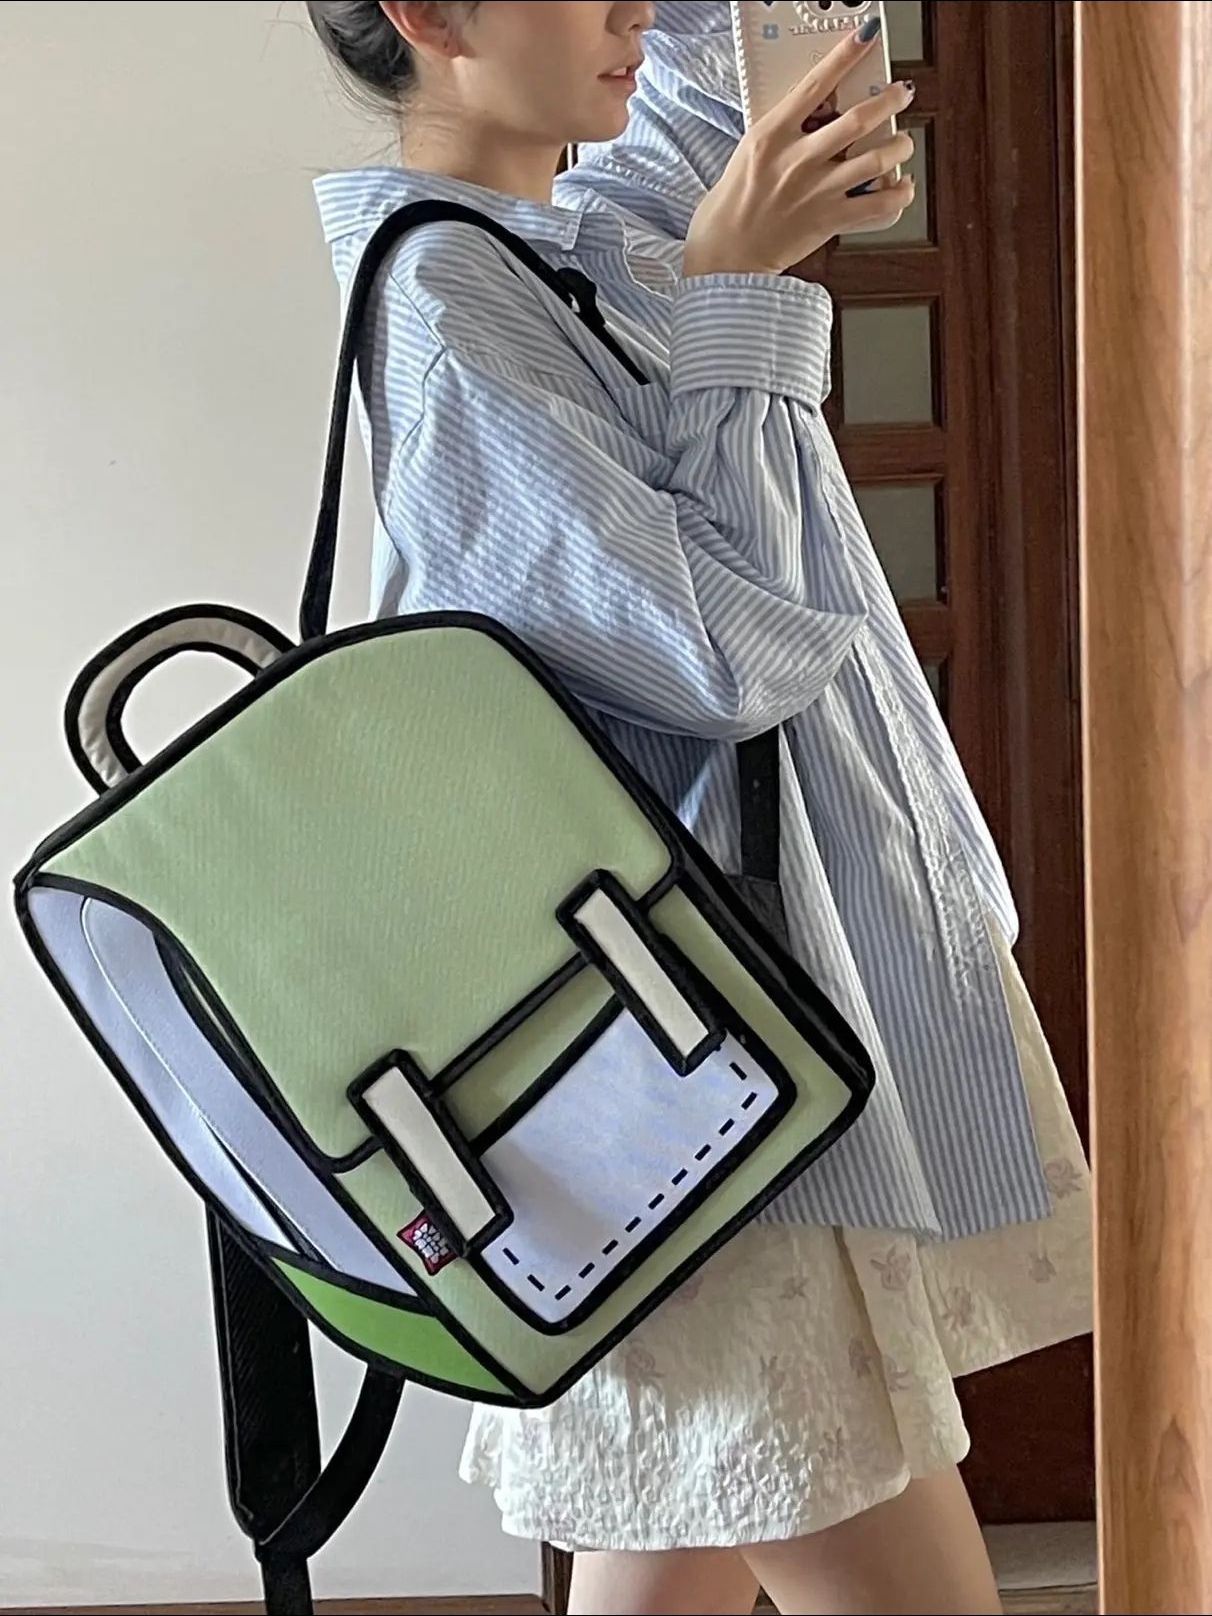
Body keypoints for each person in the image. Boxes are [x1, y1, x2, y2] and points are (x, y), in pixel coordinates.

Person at [305, 4, 1092, 1612]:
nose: (628, 12)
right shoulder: (452, 309)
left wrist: (727, 264)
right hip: (685, 1046)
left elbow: (774, 52)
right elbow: (717, 657)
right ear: (430, 16)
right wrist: (733, 296)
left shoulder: (580, 233)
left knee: (674, 1540)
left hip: (705, 1051)